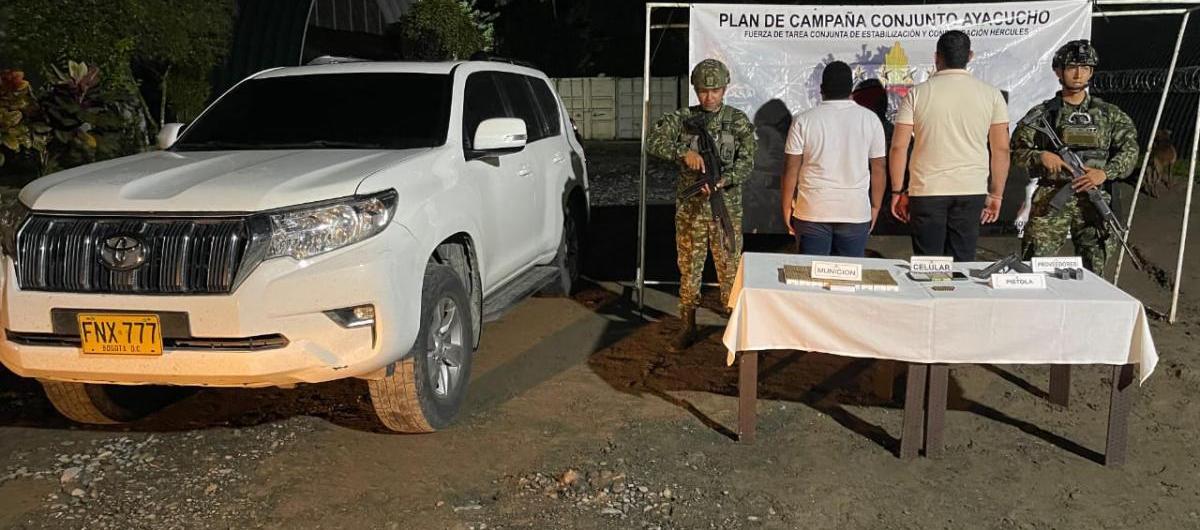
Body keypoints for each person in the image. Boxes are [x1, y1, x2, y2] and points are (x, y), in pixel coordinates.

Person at [647, 58, 757, 352]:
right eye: (703, 91)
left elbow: (748, 162)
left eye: (715, 90)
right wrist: (683, 153)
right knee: (689, 267)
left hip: (725, 209)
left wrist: (724, 180)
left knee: (730, 269)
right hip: (691, 211)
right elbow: (653, 141)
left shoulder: (738, 121)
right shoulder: (683, 118)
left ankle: (734, 326)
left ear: (725, 89)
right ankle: (687, 324)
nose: (709, 97)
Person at [1012, 40, 1139, 273]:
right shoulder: (1042, 115)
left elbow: (1130, 152)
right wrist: (1040, 156)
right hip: (1052, 199)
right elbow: (1017, 151)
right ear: (1058, 71)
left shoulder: (1109, 115)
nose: (1079, 74)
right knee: (1035, 266)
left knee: (1095, 271)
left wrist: (1105, 173)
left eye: (1085, 68)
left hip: (1095, 201)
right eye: (1072, 67)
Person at [889, 30, 1011, 261]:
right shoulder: (992, 95)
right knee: (963, 264)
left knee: (928, 265)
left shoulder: (916, 94)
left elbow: (898, 147)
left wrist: (897, 191)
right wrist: (996, 195)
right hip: (971, 189)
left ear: (937, 57)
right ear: (970, 56)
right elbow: (1001, 149)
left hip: (927, 190)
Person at [780, 61, 887, 256]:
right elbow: (879, 168)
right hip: (855, 211)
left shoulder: (804, 120)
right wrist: (876, 206)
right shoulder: (870, 119)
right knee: (849, 280)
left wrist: (787, 206)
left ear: (821, 89)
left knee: (811, 278)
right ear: (851, 89)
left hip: (812, 209)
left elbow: (791, 167)